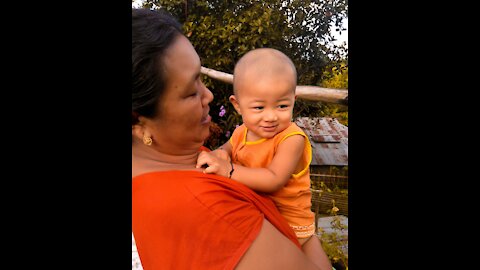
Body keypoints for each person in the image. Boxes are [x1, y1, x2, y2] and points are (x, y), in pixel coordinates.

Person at [131, 8, 332, 270]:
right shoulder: (211, 210)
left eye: (201, 79)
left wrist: (223, 156)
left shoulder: (172, 164)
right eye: (192, 92)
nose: (209, 96)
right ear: (138, 121)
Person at [196, 48, 325, 263]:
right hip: (261, 215)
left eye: (282, 105)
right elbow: (226, 149)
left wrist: (229, 171)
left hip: (290, 223)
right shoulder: (241, 132)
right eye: (259, 107)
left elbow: (274, 179)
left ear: (294, 100)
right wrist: (220, 154)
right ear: (237, 105)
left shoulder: (292, 138)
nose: (271, 116)